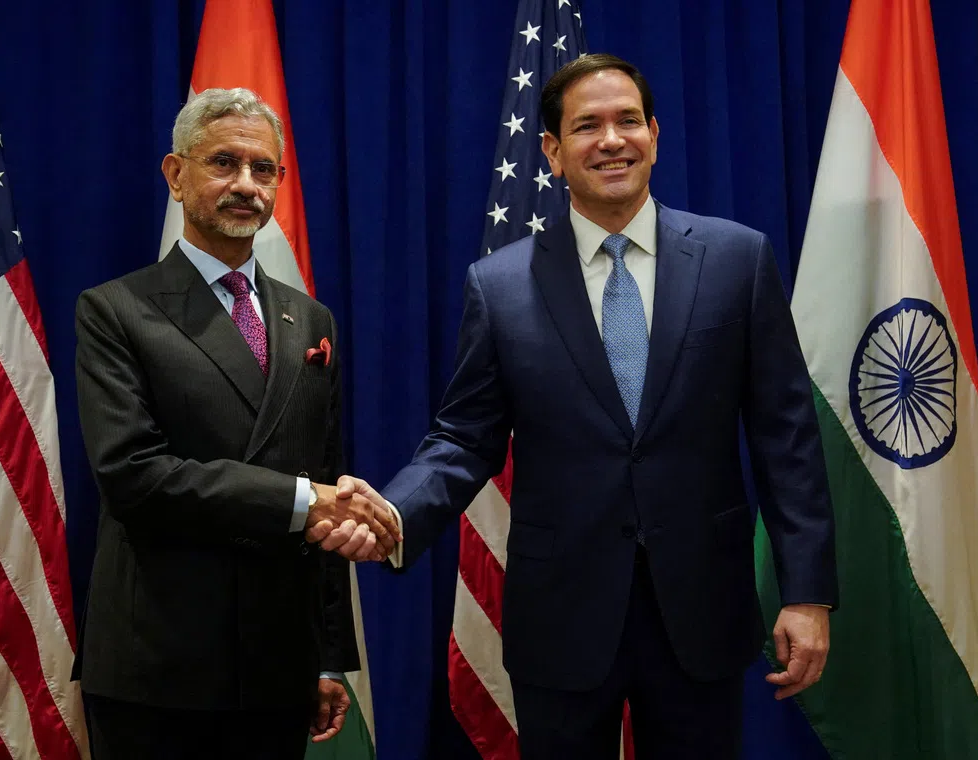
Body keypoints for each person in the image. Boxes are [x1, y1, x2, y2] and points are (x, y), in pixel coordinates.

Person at [328, 55, 838, 758]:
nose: (612, 140)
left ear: (655, 134)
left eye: (628, 120)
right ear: (552, 151)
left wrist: (807, 593)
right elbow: (464, 437)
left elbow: (788, 440)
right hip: (561, 614)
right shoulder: (500, 286)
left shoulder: (737, 260)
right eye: (587, 126)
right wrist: (394, 512)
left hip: (700, 607)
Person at [73, 87, 401, 760]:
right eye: (224, 162)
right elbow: (132, 477)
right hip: (159, 667)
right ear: (175, 173)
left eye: (264, 169)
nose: (246, 185)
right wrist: (302, 503)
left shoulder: (310, 319)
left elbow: (326, 487)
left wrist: (327, 656)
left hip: (278, 669)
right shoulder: (114, 310)